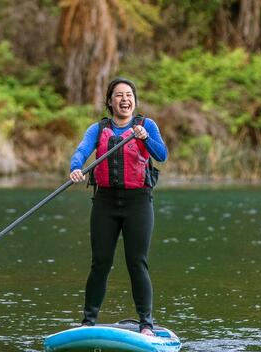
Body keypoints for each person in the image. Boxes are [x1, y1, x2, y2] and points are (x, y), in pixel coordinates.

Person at [68, 78, 168, 336]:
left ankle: (146, 324)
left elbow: (162, 155)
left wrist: (145, 138)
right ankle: (87, 322)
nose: (125, 99)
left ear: (134, 100)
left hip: (138, 204)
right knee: (99, 263)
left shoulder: (147, 126)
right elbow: (81, 151)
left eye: (129, 95)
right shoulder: (98, 129)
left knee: (137, 263)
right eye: (119, 95)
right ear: (110, 101)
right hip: (105, 203)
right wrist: (75, 168)